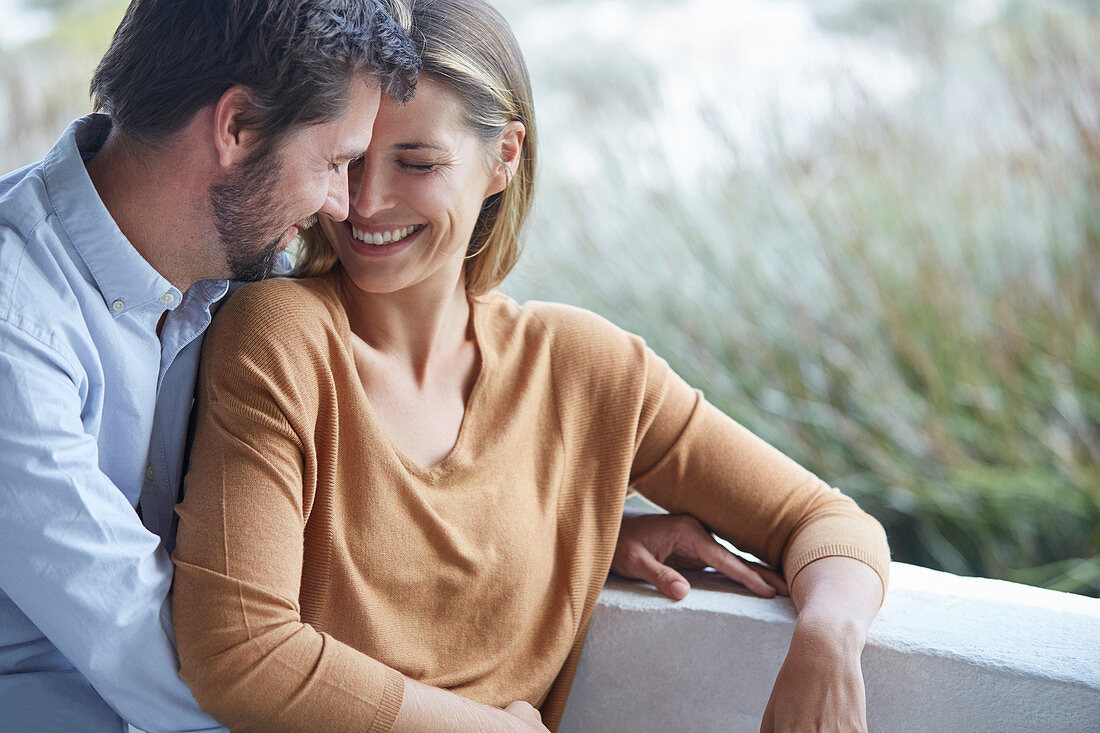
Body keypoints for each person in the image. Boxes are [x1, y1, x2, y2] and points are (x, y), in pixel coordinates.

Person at [171, 0, 890, 731]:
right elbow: (239, 650)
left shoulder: (588, 367)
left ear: (503, 157)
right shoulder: (278, 336)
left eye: (416, 162)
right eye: (349, 159)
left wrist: (827, 641)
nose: (365, 202)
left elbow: (824, 519)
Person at [0, 1, 420, 730]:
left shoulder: (241, 274)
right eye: (334, 162)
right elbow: (143, 643)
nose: (341, 205)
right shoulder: (16, 321)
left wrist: (586, 510)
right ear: (236, 127)